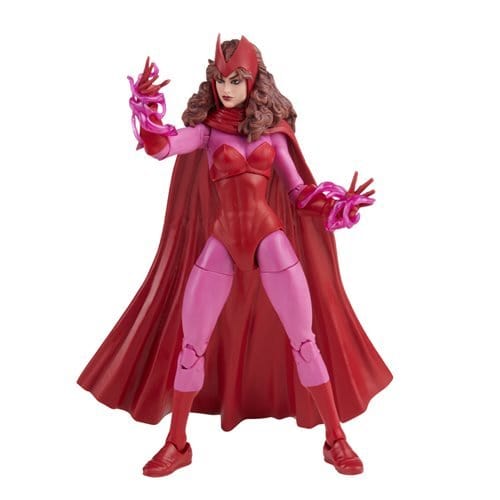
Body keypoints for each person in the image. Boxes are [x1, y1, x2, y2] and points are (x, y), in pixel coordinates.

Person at [78, 34, 393, 477]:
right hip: (223, 241)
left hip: (271, 239)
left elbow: (300, 193)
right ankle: (177, 443)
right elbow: (162, 147)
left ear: (253, 81)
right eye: (221, 80)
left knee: (304, 342)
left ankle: (335, 439)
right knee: (192, 347)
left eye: (236, 80)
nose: (226, 89)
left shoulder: (273, 136)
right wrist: (145, 109)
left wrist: (337, 206)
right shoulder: (207, 132)